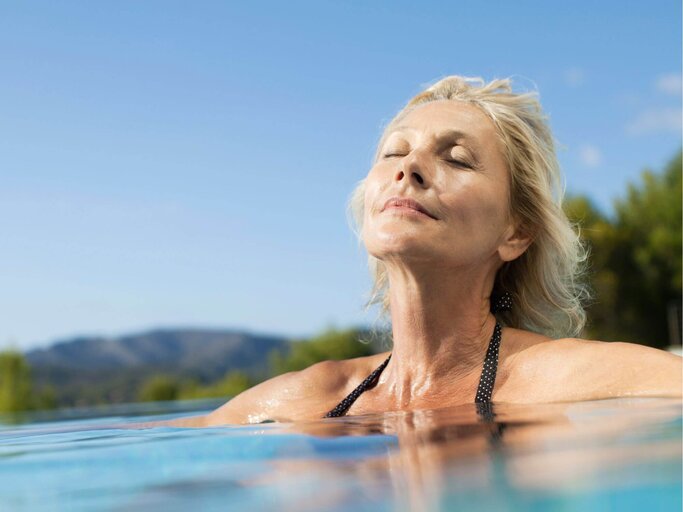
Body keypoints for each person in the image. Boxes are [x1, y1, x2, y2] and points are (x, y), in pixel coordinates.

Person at [152, 75, 682, 428]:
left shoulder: (566, 381)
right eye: (394, 152)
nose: (409, 168)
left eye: (457, 158)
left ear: (515, 232)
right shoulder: (308, 400)